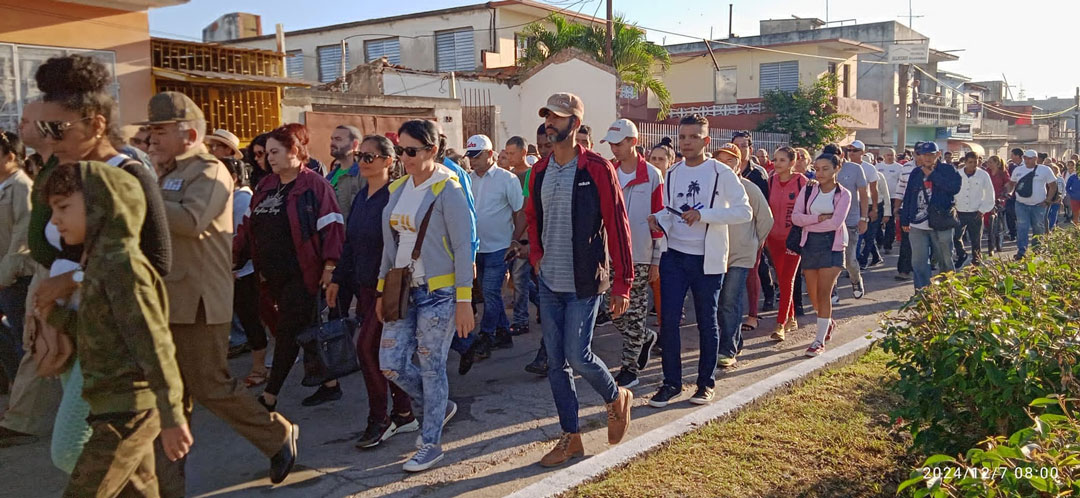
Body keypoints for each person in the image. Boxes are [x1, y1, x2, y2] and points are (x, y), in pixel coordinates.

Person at [146, 92, 297, 491]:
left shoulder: (210, 172)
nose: (151, 139)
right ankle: (167, 484)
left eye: (159, 131)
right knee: (169, 398)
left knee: (209, 385)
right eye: (150, 132)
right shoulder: (163, 173)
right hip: (167, 298)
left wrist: (142, 194)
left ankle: (275, 435)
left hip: (198, 299)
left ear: (189, 133)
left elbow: (193, 219)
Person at [42, 161, 191, 498]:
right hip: (114, 406)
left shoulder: (122, 264)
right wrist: (54, 317)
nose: (55, 220)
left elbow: (154, 343)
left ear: (101, 203)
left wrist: (172, 414)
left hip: (129, 410)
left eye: (63, 207)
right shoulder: (100, 261)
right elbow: (101, 333)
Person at [526, 93, 633, 467]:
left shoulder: (598, 169)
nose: (549, 124)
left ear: (575, 123)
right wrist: (536, 257)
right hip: (549, 282)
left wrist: (623, 284)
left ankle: (616, 397)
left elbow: (618, 227)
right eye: (547, 117)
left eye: (557, 117)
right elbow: (533, 218)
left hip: (584, 282)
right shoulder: (538, 171)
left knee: (578, 355)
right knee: (556, 364)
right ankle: (571, 438)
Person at [376, 120, 475, 472]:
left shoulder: (447, 189)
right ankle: (439, 405)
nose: (404, 157)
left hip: (440, 292)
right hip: (403, 291)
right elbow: (391, 246)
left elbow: (465, 247)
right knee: (390, 363)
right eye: (400, 150)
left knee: (432, 368)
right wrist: (380, 289)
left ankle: (431, 442)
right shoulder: (398, 189)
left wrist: (465, 301)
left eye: (412, 151)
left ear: (432, 150)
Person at [234, 123, 345, 409]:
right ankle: (330, 383)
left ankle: (270, 396)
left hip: (304, 273)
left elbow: (332, 228)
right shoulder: (266, 185)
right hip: (272, 275)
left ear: (295, 151)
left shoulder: (314, 185)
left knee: (286, 332)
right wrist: (233, 257)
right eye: (267, 153)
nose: (269, 158)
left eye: (275, 152)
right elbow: (248, 227)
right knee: (304, 328)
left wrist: (330, 267)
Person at [648, 114, 752, 407]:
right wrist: (659, 220)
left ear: (706, 141)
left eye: (694, 137)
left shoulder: (721, 172)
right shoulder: (674, 172)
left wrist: (705, 214)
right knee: (667, 321)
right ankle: (671, 382)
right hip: (674, 256)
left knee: (707, 321)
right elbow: (672, 210)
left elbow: (744, 212)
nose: (687, 142)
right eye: (683, 137)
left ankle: (705, 383)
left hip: (707, 259)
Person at [326, 135, 417, 449]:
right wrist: (337, 279)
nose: (363, 162)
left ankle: (380, 418)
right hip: (365, 288)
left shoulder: (396, 197)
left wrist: (386, 291)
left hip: (390, 289)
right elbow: (350, 243)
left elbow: (403, 247)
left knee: (367, 350)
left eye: (370, 157)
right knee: (384, 354)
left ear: (388, 162)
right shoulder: (362, 196)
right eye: (360, 155)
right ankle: (404, 413)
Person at [603, 119, 662, 387]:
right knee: (611, 311)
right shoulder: (608, 172)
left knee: (634, 310)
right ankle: (644, 337)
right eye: (612, 144)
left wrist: (656, 259)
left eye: (619, 143)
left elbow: (660, 219)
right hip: (610, 255)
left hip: (640, 253)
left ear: (633, 142)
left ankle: (630, 368)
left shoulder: (652, 175)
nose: (614, 149)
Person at [465, 134, 525, 356]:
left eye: (476, 156)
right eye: (469, 156)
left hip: (499, 247)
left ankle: (487, 335)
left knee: (490, 291)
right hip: (476, 248)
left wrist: (515, 240)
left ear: (490, 154)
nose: (472, 161)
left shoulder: (507, 180)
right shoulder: (467, 179)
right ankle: (503, 333)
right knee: (490, 294)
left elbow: (519, 211)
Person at [715, 143, 772, 367]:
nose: (725, 165)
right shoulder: (712, 187)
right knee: (719, 302)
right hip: (716, 254)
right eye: (721, 160)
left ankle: (727, 349)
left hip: (741, 255)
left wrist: (754, 243)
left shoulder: (749, 188)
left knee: (730, 299)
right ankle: (735, 340)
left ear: (739, 163)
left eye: (730, 160)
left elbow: (766, 219)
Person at [791, 153, 851, 357]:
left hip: (833, 246)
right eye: (817, 168)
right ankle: (828, 323)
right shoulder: (808, 189)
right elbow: (796, 217)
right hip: (810, 245)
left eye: (826, 168)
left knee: (824, 293)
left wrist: (811, 222)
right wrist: (818, 218)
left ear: (836, 168)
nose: (820, 173)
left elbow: (835, 223)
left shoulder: (844, 194)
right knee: (814, 295)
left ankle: (818, 341)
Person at [221, 157, 270, 388]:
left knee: (252, 319)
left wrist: (234, 267)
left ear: (234, 176)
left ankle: (261, 367)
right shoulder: (226, 198)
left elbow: (240, 239)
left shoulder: (242, 199)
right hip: (231, 268)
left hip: (244, 271)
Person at [899, 141, 961, 290]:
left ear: (938, 155)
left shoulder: (948, 170)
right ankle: (923, 293)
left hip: (940, 222)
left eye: (930, 155)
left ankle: (948, 292)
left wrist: (933, 175)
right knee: (919, 262)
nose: (926, 158)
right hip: (917, 224)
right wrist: (904, 218)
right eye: (924, 155)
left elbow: (954, 188)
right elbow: (908, 197)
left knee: (945, 259)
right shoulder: (916, 172)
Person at [0, 132, 34, 394]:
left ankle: (24, 399)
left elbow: (22, 237)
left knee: (21, 340)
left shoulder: (22, 186)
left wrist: (4, 276)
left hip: (15, 278)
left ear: (10, 156)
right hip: (4, 277)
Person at [764, 146, 808, 341]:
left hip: (793, 238)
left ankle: (780, 323)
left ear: (792, 162)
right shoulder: (771, 180)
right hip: (773, 238)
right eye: (775, 159)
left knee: (787, 279)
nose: (777, 163)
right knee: (781, 277)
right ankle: (791, 318)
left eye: (782, 160)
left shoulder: (803, 182)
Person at [731, 130, 772, 328]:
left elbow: (765, 209)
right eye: (736, 145)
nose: (740, 149)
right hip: (730, 234)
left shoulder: (758, 174)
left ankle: (753, 315)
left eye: (744, 145)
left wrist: (759, 237)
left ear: (750, 149)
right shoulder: (724, 173)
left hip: (752, 232)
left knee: (754, 271)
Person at [504, 136, 537, 339]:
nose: (509, 157)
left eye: (512, 153)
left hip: (523, 236)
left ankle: (521, 320)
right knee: (521, 280)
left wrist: (523, 238)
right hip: (507, 235)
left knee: (520, 279)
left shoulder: (531, 175)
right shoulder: (505, 176)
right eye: (506, 153)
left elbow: (526, 210)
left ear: (523, 153)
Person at [1007, 149, 1057, 260]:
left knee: (1038, 228)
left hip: (1038, 205)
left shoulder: (1045, 170)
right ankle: (1021, 251)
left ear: (1035, 159)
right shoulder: (1018, 170)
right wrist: (1009, 192)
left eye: (1029, 158)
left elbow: (1053, 185)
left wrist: (1048, 200)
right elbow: (1012, 183)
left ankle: (1037, 250)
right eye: (1025, 158)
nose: (1026, 160)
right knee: (1022, 228)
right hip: (1021, 204)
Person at [838, 142, 872, 300]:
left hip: (851, 221)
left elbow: (864, 195)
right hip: (829, 223)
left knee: (850, 259)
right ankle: (831, 291)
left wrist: (864, 218)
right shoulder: (824, 170)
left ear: (841, 155)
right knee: (831, 261)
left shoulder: (854, 169)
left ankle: (856, 280)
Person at [953, 152, 995, 267]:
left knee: (976, 240)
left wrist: (983, 210)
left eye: (975, 162)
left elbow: (990, 194)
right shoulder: (957, 174)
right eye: (970, 162)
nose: (973, 165)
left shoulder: (983, 175)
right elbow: (952, 192)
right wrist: (953, 208)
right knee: (955, 237)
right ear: (965, 162)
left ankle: (976, 263)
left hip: (976, 212)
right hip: (959, 211)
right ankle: (962, 255)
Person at [326, 125, 367, 222]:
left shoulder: (363, 175)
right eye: (332, 139)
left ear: (355, 144)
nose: (332, 143)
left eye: (338, 139)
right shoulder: (329, 177)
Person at [857, 167, 890, 269]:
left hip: (875, 207)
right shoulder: (857, 175)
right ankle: (876, 257)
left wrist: (887, 213)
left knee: (870, 235)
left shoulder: (879, 176)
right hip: (861, 206)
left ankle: (863, 260)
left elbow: (885, 194)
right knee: (864, 234)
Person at [877, 148, 903, 254]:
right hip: (880, 198)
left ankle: (888, 244)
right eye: (888, 155)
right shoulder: (877, 167)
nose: (890, 157)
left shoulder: (899, 168)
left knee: (890, 222)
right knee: (877, 221)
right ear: (884, 156)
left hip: (893, 198)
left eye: (892, 155)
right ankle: (879, 241)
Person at [1047, 164, 1065, 229]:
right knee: (1048, 214)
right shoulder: (1047, 179)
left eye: (1055, 171)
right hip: (1049, 199)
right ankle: (1047, 226)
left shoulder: (1061, 179)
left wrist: (1061, 198)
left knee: (1054, 213)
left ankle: (1052, 226)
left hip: (1057, 199)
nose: (1054, 172)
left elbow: (1064, 189)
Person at [1066, 159, 1080, 227]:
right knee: (1075, 215)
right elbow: (1067, 187)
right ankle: (1076, 230)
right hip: (1075, 199)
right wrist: (1072, 194)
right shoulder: (1073, 177)